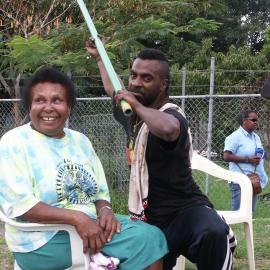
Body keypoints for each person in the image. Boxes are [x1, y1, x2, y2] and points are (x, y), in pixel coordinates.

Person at [0, 67, 168, 270]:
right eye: (40, 100)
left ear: (69, 107)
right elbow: (22, 206)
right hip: (42, 239)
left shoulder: (80, 141)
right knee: (147, 243)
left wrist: (105, 209)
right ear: (29, 106)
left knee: (152, 235)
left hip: (89, 224)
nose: (48, 108)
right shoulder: (14, 142)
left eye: (57, 100)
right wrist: (77, 218)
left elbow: (100, 191)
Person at [86, 43, 236, 270]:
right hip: (150, 218)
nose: (136, 82)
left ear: (163, 85)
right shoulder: (132, 115)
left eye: (146, 78)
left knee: (213, 232)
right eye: (134, 75)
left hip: (185, 211)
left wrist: (135, 103)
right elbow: (113, 90)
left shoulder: (171, 114)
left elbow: (169, 129)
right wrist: (99, 58)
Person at [223, 110, 268, 213]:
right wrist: (248, 160)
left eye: (257, 120)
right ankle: (234, 229)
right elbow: (226, 156)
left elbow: (259, 151)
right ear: (244, 121)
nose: (256, 122)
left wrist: (261, 155)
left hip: (254, 180)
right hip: (240, 180)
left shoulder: (256, 137)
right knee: (238, 213)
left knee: (250, 213)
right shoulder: (234, 137)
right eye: (253, 120)